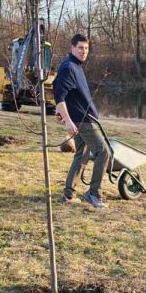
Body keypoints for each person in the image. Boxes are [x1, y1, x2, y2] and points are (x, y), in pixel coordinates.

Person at [53, 34, 110, 209]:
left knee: (82, 154)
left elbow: (62, 91)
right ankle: (94, 194)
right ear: (72, 48)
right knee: (103, 152)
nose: (84, 51)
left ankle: (68, 195)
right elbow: (58, 95)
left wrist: (62, 113)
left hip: (84, 118)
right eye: (80, 48)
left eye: (86, 48)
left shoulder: (76, 66)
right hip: (82, 121)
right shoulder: (69, 67)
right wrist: (68, 121)